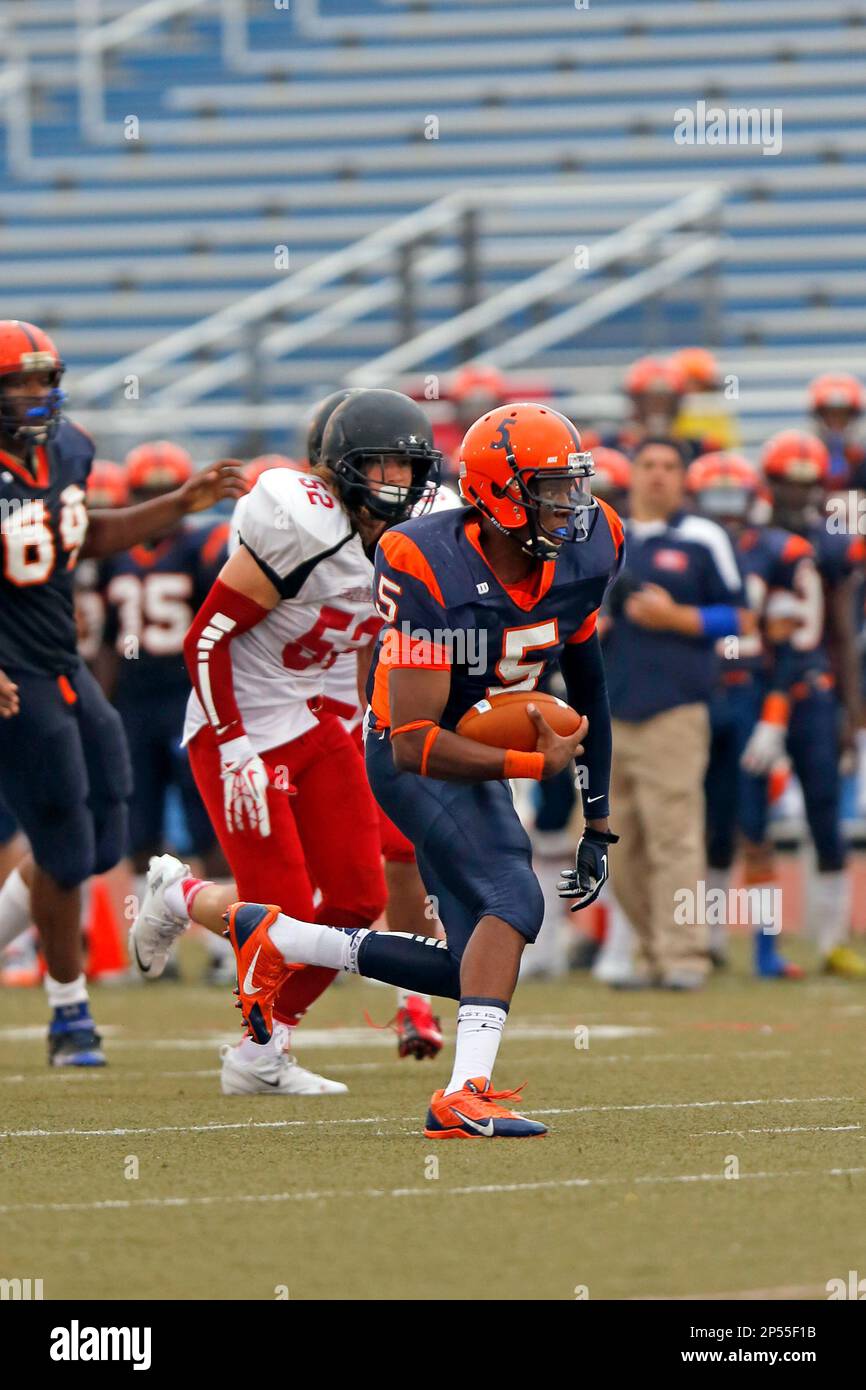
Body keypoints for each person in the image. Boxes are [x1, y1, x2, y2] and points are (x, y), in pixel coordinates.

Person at [139, 402, 624, 1138]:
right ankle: (457, 1092)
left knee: (422, 933)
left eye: (571, 486)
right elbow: (404, 737)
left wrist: (596, 815)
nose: (569, 507)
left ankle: (277, 985)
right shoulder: (401, 551)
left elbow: (581, 683)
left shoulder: (583, 546)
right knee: (492, 900)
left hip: (341, 718)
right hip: (315, 733)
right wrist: (531, 760)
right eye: (548, 490)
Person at [130, 388, 443, 1096]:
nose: (399, 482)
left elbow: (374, 644)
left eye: (409, 468)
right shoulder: (301, 522)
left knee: (357, 901)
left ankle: (259, 1050)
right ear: (341, 469)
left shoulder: (413, 540)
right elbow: (205, 636)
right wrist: (233, 741)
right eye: (383, 466)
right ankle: (181, 896)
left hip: (317, 719)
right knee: (280, 911)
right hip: (237, 723)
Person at [0, 319, 244, 1065]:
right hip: (15, 678)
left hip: (64, 665)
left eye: (48, 378)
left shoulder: (68, 450)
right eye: (23, 382)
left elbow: (82, 536)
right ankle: (70, 1015)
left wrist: (179, 502)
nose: (41, 394)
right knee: (68, 849)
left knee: (105, 828)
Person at [602, 436, 747, 989]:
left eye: (669, 466)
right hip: (610, 709)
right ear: (632, 473)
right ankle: (654, 949)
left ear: (684, 478)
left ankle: (685, 956)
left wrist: (679, 618)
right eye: (648, 464)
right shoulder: (603, 536)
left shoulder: (703, 537)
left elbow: (740, 618)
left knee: (675, 836)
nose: (658, 475)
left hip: (676, 709)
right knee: (613, 842)